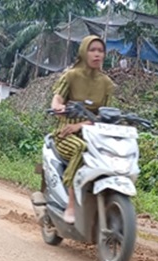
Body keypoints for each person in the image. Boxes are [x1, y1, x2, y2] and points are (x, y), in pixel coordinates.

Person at [50, 35, 115, 224]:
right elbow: (57, 98)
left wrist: (83, 125)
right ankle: (71, 204)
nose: (97, 54)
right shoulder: (71, 76)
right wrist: (58, 107)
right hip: (66, 132)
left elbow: (105, 113)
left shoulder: (107, 83)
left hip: (93, 134)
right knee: (80, 148)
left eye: (100, 51)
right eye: (92, 50)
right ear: (83, 52)